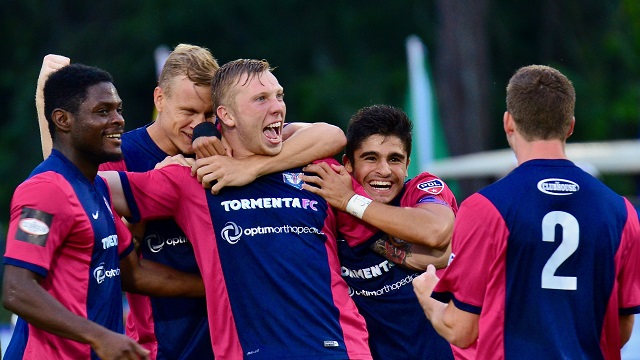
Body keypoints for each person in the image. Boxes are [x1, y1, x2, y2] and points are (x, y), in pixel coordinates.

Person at [35, 47, 346, 360]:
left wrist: (250, 167)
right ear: (159, 100)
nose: (198, 125)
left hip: (235, 339)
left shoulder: (226, 145)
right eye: (188, 112)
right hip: (162, 340)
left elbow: (329, 135)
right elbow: (72, 195)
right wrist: (220, 283)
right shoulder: (119, 154)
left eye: (208, 114)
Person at [102, 58, 371, 359]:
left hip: (341, 350)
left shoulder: (315, 165)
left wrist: (251, 168)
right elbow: (74, 182)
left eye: (279, 96)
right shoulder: (190, 177)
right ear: (226, 116)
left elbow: (334, 134)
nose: (278, 107)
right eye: (261, 99)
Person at [412, 65, 640, 359]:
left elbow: (461, 329)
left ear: (508, 122)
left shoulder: (485, 208)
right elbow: (620, 332)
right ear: (570, 125)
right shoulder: (622, 213)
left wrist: (427, 292)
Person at [3, 63, 205, 360]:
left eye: (118, 110)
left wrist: (219, 286)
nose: (118, 120)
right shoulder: (45, 190)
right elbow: (16, 289)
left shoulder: (98, 188)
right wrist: (100, 337)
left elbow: (133, 274)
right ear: (63, 120)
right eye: (103, 111)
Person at [300, 105, 458, 359]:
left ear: (407, 164)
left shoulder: (420, 190)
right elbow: (303, 134)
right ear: (348, 164)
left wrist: (351, 203)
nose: (384, 170)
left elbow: (436, 231)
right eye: (370, 158)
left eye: (394, 159)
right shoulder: (331, 210)